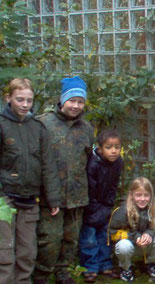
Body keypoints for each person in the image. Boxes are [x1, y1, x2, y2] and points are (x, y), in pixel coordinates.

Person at [34, 76, 94, 284]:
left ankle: (62, 273)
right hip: (50, 196)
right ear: (62, 100)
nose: (76, 106)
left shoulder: (86, 128)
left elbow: (88, 160)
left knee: (70, 238)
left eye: (80, 101)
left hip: (77, 195)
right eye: (72, 100)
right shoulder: (43, 123)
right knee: (49, 239)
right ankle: (41, 275)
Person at [0, 78, 61, 284]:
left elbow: (48, 165)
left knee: (27, 252)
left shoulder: (38, 128)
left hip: (29, 199)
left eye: (29, 100)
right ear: (8, 98)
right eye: (19, 99)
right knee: (4, 251)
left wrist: (53, 198)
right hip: (4, 200)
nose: (25, 105)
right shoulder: (2, 124)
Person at [79, 129, 123, 283]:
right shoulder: (93, 163)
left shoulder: (118, 162)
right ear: (100, 148)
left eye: (117, 147)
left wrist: (108, 204)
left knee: (105, 236)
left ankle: (106, 264)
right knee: (89, 238)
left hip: (105, 205)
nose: (113, 151)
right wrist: (92, 208)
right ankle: (90, 267)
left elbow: (114, 185)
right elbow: (89, 187)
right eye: (109, 147)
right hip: (91, 206)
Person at [109, 177, 155, 283]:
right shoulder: (122, 212)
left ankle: (151, 264)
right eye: (138, 195)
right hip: (130, 246)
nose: (142, 199)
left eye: (146, 195)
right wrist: (135, 237)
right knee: (123, 246)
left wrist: (149, 234)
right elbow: (112, 233)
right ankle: (126, 268)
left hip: (147, 244)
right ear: (131, 195)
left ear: (151, 196)